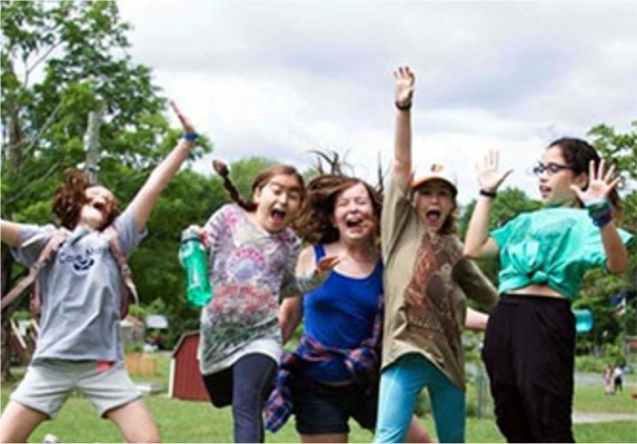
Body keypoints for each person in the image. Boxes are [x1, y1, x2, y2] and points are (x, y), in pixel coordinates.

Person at [0, 101, 198, 444]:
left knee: (149, 441)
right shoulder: (48, 239)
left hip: (103, 364)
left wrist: (186, 142)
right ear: (75, 203)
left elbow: (152, 187)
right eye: (95, 197)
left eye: (108, 202)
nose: (104, 200)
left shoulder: (115, 240)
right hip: (51, 362)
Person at [464, 138, 633, 443]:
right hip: (505, 318)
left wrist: (601, 213)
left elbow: (618, 263)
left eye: (553, 169)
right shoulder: (523, 221)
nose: (543, 176)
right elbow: (474, 247)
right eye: (541, 168)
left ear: (581, 178)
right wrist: (487, 193)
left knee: (547, 416)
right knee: (510, 416)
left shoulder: (586, 221)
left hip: (545, 317)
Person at [373, 67, 498, 444]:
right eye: (426, 192)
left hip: (449, 361)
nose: (434, 200)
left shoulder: (456, 249)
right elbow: (400, 163)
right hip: (404, 352)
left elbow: (491, 297)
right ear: (413, 198)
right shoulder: (399, 228)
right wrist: (403, 108)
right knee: (388, 439)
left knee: (453, 441)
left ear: (451, 204)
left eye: (443, 194)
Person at [268, 173, 437, 444]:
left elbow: (432, 310)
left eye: (361, 201)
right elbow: (287, 318)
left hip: (370, 380)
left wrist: (496, 319)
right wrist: (257, 363)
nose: (353, 208)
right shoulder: (311, 256)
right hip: (316, 387)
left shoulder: (389, 266)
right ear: (334, 218)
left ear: (374, 214)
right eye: (344, 203)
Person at [197, 161, 337, 444]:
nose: (283, 200)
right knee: (224, 398)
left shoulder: (290, 243)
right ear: (259, 193)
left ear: (298, 207)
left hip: (260, 337)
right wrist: (191, 241)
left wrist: (317, 277)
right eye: (277, 190)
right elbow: (195, 259)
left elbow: (287, 288)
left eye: (293, 195)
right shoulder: (228, 218)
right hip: (216, 339)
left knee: (246, 406)